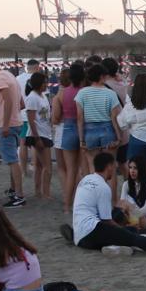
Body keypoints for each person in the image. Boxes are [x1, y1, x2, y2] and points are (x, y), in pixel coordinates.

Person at [65, 152, 146, 256]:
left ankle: (116, 246)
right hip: (91, 231)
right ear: (109, 167)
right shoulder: (103, 187)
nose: (115, 169)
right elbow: (107, 221)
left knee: (124, 233)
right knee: (132, 238)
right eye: (114, 166)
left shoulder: (86, 179)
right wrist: (123, 231)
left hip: (81, 238)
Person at [0, 56, 27, 208]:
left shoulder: (0, 78)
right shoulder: (10, 76)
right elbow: (21, 103)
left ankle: (19, 195)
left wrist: (6, 123)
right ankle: (14, 189)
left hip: (8, 124)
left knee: (12, 160)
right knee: (12, 158)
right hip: (18, 122)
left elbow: (8, 100)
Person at [71, 62, 120, 186]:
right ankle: (111, 200)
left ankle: (94, 196)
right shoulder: (111, 94)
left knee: (93, 168)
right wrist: (118, 137)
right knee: (110, 168)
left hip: (89, 130)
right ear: (102, 76)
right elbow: (114, 117)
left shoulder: (82, 93)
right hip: (108, 129)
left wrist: (81, 139)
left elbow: (80, 118)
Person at [56, 61, 84, 209]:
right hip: (81, 129)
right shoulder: (84, 91)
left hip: (67, 128)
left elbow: (56, 116)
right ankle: (81, 203)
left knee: (71, 170)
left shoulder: (62, 93)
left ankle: (67, 204)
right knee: (81, 170)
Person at [22, 69, 53, 200]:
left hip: (45, 132)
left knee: (40, 166)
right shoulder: (32, 97)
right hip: (38, 134)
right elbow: (31, 119)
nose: (46, 85)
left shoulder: (43, 96)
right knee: (48, 166)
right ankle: (45, 193)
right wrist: (37, 137)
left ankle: (38, 191)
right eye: (44, 83)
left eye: (46, 82)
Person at [120, 156, 146, 228]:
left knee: (140, 219)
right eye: (130, 167)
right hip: (131, 215)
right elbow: (122, 203)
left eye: (135, 168)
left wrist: (133, 216)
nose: (132, 171)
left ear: (142, 169)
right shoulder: (126, 184)